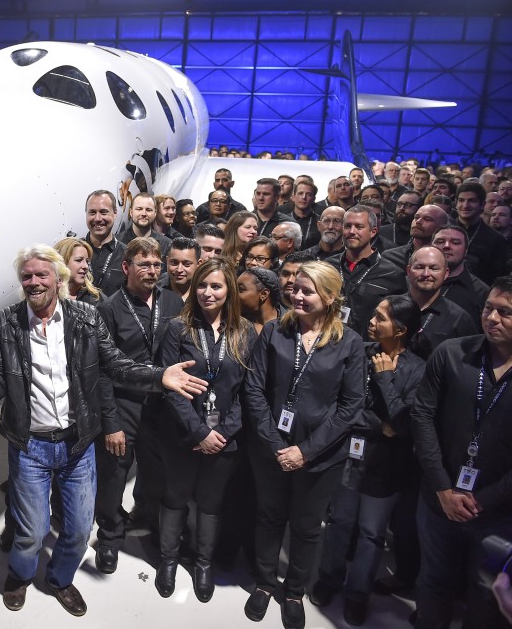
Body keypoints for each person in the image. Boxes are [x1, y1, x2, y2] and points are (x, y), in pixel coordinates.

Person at [0, 244, 207, 617]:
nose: (33, 282)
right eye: (27, 276)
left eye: (41, 275)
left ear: (59, 279)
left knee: (81, 529)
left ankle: (60, 579)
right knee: (31, 530)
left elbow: (115, 365)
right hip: (30, 445)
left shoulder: (85, 316)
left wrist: (158, 376)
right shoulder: (6, 322)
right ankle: (20, 574)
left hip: (77, 445)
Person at [241, 260, 365, 629]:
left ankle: (294, 591)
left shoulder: (350, 341)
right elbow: (254, 390)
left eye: (307, 291)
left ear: (329, 297)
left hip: (319, 456)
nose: (296, 295)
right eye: (294, 288)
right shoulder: (276, 331)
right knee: (269, 517)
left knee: (307, 528)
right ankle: (265, 583)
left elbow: (351, 406)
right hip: (271, 449)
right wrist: (275, 443)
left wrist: (305, 451)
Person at [311, 295, 429, 626]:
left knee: (372, 534)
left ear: (401, 330)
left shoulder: (417, 369)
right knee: (338, 524)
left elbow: (405, 424)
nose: (372, 322)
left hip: (387, 468)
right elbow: (338, 405)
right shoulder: (359, 351)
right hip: (348, 453)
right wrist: (380, 425)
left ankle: (357, 594)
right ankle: (329, 579)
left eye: (381, 318)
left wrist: (386, 378)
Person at [410, 275, 512, 629]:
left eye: (505, 312)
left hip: (499, 511)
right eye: (488, 308)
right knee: (433, 582)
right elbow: (422, 416)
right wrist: (442, 488)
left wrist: (483, 500)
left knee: (485, 596)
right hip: (439, 498)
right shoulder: (452, 352)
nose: (492, 318)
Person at [154, 256, 258, 601]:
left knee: (212, 505)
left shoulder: (244, 331)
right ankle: (168, 560)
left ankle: (203, 563)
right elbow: (169, 387)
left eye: (216, 286)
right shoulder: (177, 328)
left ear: (229, 290)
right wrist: (199, 432)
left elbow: (250, 392)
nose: (207, 293)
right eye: (202, 285)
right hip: (183, 433)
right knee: (175, 499)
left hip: (224, 438)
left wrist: (222, 434)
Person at [93, 237, 184, 573]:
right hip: (124, 404)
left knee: (157, 474)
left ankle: (153, 528)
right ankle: (109, 538)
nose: (152, 271)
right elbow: (102, 370)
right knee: (115, 476)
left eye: (156, 264)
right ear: (126, 267)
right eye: (144, 264)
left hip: (161, 407)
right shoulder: (109, 308)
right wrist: (111, 423)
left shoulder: (173, 302)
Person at [331, 205, 406, 339]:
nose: (352, 231)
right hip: (327, 344)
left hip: (370, 349)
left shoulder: (392, 274)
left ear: (373, 231)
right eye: (347, 226)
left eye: (359, 227)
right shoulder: (328, 266)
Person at [83, 189, 128, 295]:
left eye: (103, 212)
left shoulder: (127, 254)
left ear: (115, 213)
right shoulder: (71, 252)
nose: (98, 218)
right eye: (92, 212)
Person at [54, 236, 101, 304]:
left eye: (87, 261)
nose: (86, 266)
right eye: (79, 260)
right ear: (62, 262)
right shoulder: (46, 296)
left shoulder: (97, 301)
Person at [238, 267, 282, 331]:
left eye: (241, 289)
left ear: (264, 294)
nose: (234, 294)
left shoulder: (289, 325)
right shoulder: (236, 322)